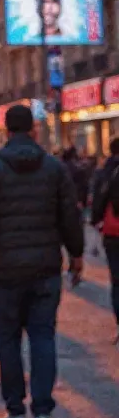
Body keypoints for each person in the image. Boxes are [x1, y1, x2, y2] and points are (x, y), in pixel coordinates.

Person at [0, 105, 84, 418]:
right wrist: (76, 255)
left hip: (5, 270)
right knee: (44, 337)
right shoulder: (54, 168)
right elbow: (70, 217)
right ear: (32, 129)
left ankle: (15, 410)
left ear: (5, 129)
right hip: (45, 267)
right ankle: (43, 410)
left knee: (9, 339)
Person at [91, 138, 119, 343]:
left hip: (113, 230)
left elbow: (98, 198)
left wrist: (95, 221)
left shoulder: (105, 170)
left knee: (117, 280)